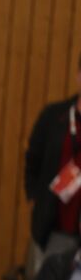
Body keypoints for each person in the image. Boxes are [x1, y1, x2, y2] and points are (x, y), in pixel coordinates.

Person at [24, 55, 81, 260]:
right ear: (78, 76)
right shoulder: (53, 116)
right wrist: (35, 200)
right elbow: (33, 161)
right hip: (56, 227)